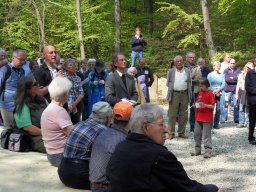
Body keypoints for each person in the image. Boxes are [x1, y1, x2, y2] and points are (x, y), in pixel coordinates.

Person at [106, 103, 224, 192]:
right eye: (161, 125)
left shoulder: (120, 147)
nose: (166, 130)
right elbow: (187, 188)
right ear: (146, 127)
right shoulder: (159, 155)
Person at [58, 102, 113, 190]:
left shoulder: (78, 124)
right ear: (107, 118)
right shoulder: (103, 131)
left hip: (63, 172)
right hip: (81, 176)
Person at [90, 101, 133, 192]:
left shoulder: (104, 132)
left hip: (95, 186)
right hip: (105, 188)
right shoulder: (123, 140)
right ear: (131, 119)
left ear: (113, 117)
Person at [41, 77, 73, 167]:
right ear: (65, 94)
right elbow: (72, 134)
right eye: (69, 92)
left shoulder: (49, 108)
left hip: (51, 154)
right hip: (60, 155)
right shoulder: (59, 111)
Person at [14, 76, 48, 153]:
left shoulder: (42, 99)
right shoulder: (22, 104)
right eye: (35, 84)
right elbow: (28, 128)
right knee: (58, 146)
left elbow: (52, 114)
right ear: (27, 89)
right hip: (33, 138)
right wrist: (48, 134)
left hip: (47, 133)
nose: (38, 85)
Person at [166, 55, 192, 139]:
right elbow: (168, 83)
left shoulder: (187, 71)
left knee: (184, 114)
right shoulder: (170, 71)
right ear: (174, 63)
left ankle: (181, 132)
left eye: (181, 61)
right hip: (174, 94)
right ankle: (171, 133)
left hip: (184, 94)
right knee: (172, 114)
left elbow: (190, 83)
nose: (180, 62)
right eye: (177, 61)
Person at [0, 49, 26, 128]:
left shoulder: (22, 71)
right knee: (9, 130)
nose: (22, 62)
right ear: (13, 58)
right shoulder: (5, 69)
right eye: (20, 59)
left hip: (19, 106)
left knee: (19, 129)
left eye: (24, 60)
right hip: (6, 107)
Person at [191, 79, 215, 158]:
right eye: (200, 86)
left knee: (206, 135)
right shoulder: (200, 93)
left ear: (207, 85)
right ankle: (197, 150)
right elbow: (198, 102)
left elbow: (212, 106)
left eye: (202, 86)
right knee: (196, 134)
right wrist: (195, 104)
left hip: (207, 118)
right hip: (198, 117)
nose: (201, 87)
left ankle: (208, 151)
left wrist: (204, 105)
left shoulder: (210, 93)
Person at [185, 51, 202, 132]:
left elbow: (198, 79)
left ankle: (194, 125)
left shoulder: (197, 67)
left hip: (196, 90)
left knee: (196, 107)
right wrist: (191, 79)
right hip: (185, 90)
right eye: (191, 57)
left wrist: (190, 80)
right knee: (183, 109)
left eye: (193, 57)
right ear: (187, 58)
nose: (192, 59)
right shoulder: (183, 67)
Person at [63, 59, 84, 124]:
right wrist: (69, 104)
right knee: (67, 124)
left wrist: (75, 103)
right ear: (66, 67)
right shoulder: (63, 78)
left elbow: (81, 93)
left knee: (76, 123)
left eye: (74, 65)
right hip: (66, 105)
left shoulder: (78, 78)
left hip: (77, 104)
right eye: (71, 65)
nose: (73, 66)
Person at [221, 58, 240, 123]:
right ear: (229, 63)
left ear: (235, 63)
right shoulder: (225, 70)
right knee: (226, 104)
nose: (232, 64)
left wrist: (232, 78)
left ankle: (236, 119)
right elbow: (227, 80)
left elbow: (239, 79)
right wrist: (234, 78)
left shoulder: (238, 70)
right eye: (231, 63)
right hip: (227, 90)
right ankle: (223, 118)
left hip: (235, 90)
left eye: (233, 63)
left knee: (236, 104)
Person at [207, 61, 225, 129]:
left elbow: (223, 84)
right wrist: (214, 90)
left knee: (218, 109)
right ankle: (209, 124)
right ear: (213, 67)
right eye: (216, 65)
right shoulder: (210, 75)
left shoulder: (222, 75)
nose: (218, 67)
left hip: (220, 93)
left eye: (219, 65)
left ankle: (216, 124)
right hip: (211, 93)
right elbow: (208, 84)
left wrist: (219, 90)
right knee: (211, 108)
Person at [236, 62, 253, 128]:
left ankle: (248, 123)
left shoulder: (252, 75)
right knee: (241, 108)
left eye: (249, 67)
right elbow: (238, 84)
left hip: (249, 93)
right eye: (246, 67)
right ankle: (241, 122)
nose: (247, 68)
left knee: (248, 109)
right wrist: (236, 93)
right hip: (241, 92)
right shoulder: (240, 75)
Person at [245, 63, 256, 145]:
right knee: (252, 120)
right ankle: (251, 137)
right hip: (253, 100)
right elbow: (247, 87)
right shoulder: (249, 73)